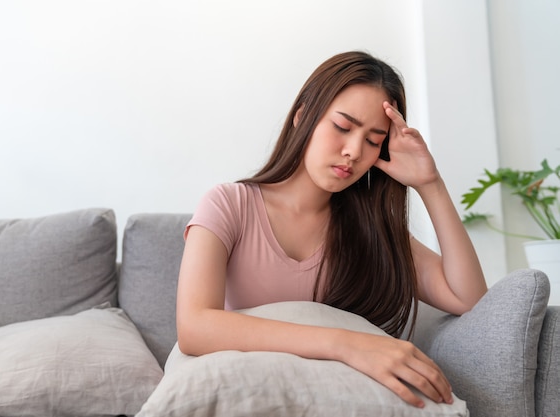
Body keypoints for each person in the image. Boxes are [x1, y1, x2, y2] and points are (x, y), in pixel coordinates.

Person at [175, 50, 487, 409]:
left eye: (373, 141)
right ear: (303, 116)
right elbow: (194, 327)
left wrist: (430, 184)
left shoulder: (374, 231)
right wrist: (348, 344)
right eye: (343, 127)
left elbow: (469, 300)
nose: (353, 151)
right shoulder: (228, 205)